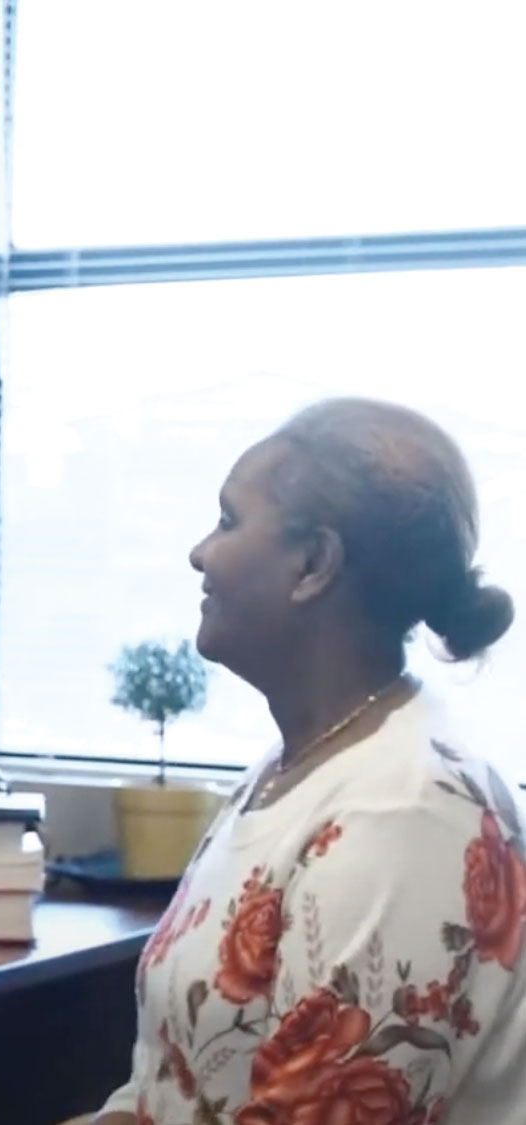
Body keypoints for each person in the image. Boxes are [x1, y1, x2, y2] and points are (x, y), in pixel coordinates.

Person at [92, 399, 524, 1125]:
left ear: (313, 564)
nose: (200, 552)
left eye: (229, 521)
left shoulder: (402, 815)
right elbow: (165, 1090)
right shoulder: (296, 768)